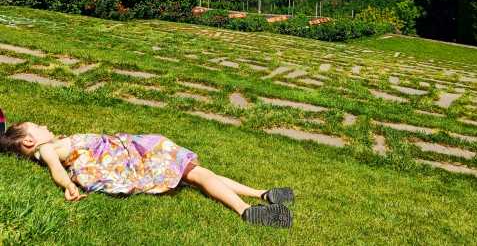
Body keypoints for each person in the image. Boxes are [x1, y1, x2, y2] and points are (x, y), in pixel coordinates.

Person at [0, 114, 293, 228]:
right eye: (37, 127)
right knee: (197, 174)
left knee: (197, 172)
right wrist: (66, 186)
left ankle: (262, 193)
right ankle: (246, 211)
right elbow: (56, 170)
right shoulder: (47, 149)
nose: (45, 126)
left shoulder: (49, 146)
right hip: (137, 154)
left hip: (131, 150)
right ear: (30, 140)